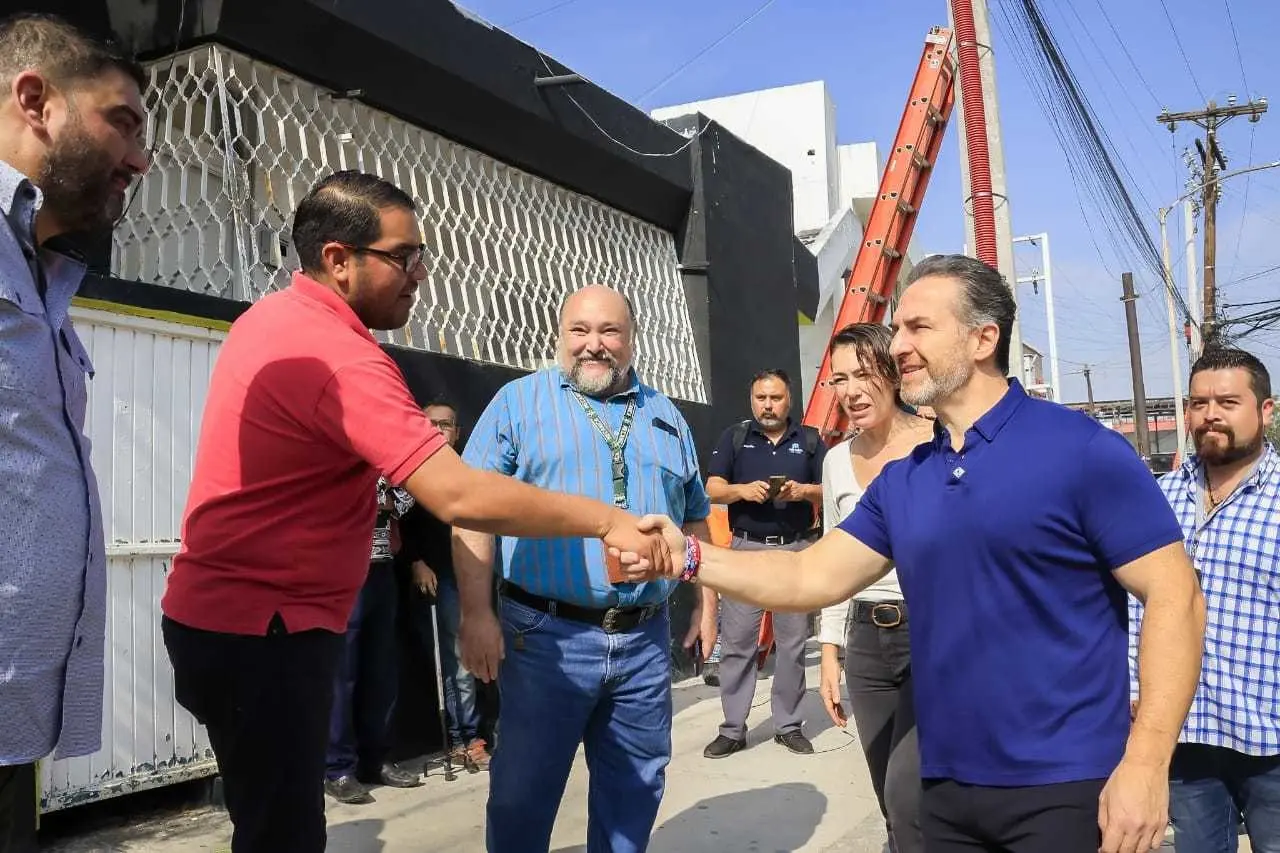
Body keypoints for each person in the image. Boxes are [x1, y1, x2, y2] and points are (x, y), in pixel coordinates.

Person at [159, 172, 672, 853]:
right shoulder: (341, 356)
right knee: (282, 834)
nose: (420, 273)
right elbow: (459, 494)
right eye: (404, 256)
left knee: (267, 822)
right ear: (340, 260)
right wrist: (604, 518)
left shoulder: (271, 317)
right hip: (267, 632)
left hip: (224, 620)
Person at [633, 254, 1207, 853]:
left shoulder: (1082, 451)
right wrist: (689, 557)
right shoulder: (905, 481)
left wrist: (1146, 763)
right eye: (897, 329)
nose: (898, 346)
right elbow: (808, 573)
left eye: (918, 328)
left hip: (1065, 785)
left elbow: (1177, 597)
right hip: (946, 790)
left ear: (984, 337)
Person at [453, 284, 719, 853]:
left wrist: (706, 605)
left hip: (645, 638)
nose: (593, 345)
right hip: (543, 639)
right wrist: (476, 614)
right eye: (580, 330)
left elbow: (695, 518)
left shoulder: (666, 415)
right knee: (523, 791)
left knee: (637, 784)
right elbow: (471, 515)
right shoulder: (516, 405)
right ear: (559, 335)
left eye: (609, 332)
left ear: (631, 340)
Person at [0, 14, 148, 851]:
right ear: (36, 101)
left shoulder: (42, 269)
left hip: (16, 726)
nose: (140, 158)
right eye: (121, 121)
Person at [1129, 347, 1280, 853]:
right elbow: (1136, 607)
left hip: (1271, 735)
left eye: (1228, 402)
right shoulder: (1156, 497)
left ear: (1265, 410)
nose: (1210, 414)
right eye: (1199, 403)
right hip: (1186, 731)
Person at [816, 323, 932, 853]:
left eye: (863, 374)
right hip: (866, 640)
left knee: (909, 799)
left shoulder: (936, 445)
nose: (851, 391)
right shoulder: (836, 460)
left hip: (931, 633)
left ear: (892, 371)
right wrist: (830, 655)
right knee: (889, 797)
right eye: (840, 379)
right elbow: (832, 563)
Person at [702, 368, 825, 758]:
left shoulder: (808, 440)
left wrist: (802, 491)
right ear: (752, 400)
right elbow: (712, 487)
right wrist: (742, 491)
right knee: (738, 644)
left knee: (791, 644)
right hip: (746, 551)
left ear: (789, 400)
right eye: (761, 398)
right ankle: (733, 728)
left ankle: (788, 725)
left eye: (775, 398)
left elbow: (830, 485)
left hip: (795, 550)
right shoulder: (736, 438)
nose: (768, 405)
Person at [401, 398, 490, 771]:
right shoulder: (412, 470)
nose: (438, 430)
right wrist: (416, 562)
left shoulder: (469, 470)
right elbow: (402, 521)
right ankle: (462, 740)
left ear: (458, 432)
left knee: (470, 657)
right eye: (431, 423)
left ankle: (470, 736)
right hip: (438, 579)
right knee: (454, 660)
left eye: (446, 424)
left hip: (470, 576)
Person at [323, 475, 422, 804]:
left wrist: (379, 501)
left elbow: (407, 501)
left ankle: (376, 759)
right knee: (343, 675)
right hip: (342, 569)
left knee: (381, 672)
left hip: (382, 568)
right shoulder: (336, 456)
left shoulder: (386, 462)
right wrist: (375, 502)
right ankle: (337, 768)